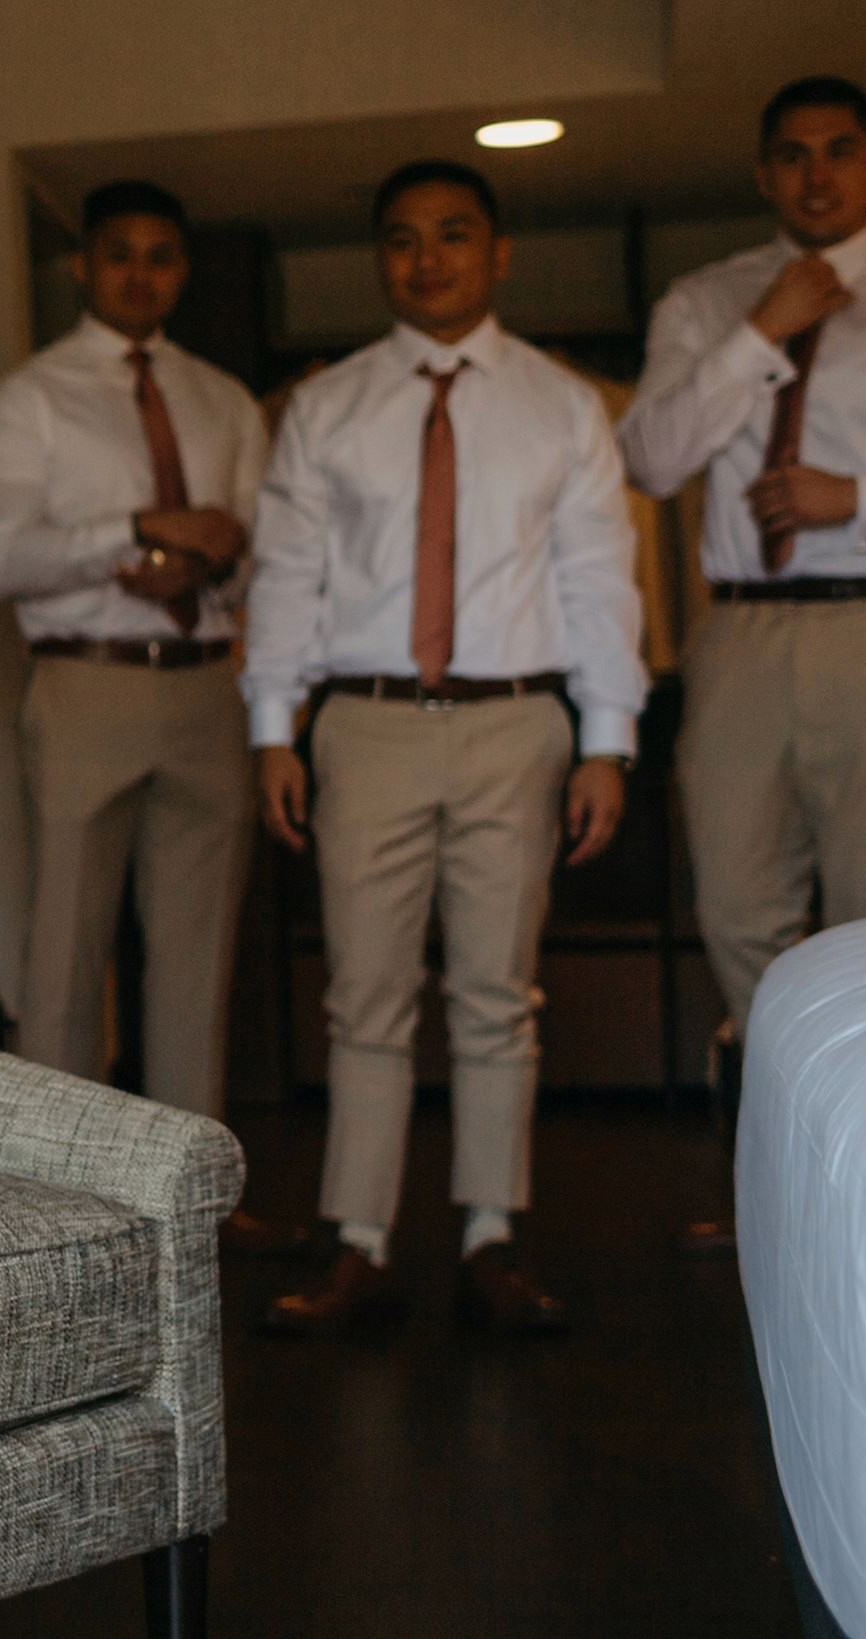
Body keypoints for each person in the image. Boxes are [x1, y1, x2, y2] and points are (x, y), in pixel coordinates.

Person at [244, 160, 645, 1336]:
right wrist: (274, 727)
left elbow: (596, 578)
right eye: (403, 239)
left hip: (515, 722)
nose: (427, 259)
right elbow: (286, 576)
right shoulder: (327, 405)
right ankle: (355, 1243)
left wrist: (605, 740)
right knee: (362, 993)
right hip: (361, 725)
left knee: (491, 993)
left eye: (453, 235)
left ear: (497, 252)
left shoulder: (561, 404)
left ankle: (488, 1236)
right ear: (380, 258)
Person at [0, 179, 293, 1251]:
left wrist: (210, 563)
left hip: (207, 684)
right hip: (84, 683)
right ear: (84, 267)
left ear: (181, 269)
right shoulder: (35, 395)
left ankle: (190, 1204)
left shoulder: (223, 401)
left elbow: (266, 554)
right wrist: (134, 531)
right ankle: (63, 1208)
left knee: (194, 959)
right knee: (66, 946)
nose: (139, 274)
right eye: (118, 255)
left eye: (160, 255)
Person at [617, 76, 866, 1056]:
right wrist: (759, 330)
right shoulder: (705, 301)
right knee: (730, 900)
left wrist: (852, 498)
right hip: (739, 629)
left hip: (861, 623)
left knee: (864, 916)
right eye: (792, 154)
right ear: (762, 175)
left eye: (840, 148)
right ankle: (784, 1147)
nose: (816, 174)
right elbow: (648, 459)